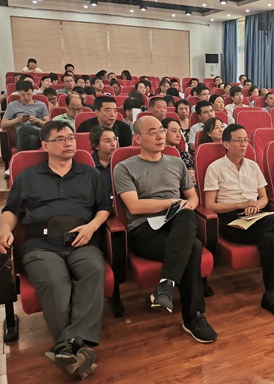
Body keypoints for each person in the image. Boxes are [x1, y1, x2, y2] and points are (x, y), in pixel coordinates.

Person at [0, 120, 111, 379]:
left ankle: (66, 349)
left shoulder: (90, 174)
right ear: (45, 145)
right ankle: (74, 349)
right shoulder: (28, 176)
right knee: (54, 281)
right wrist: (4, 228)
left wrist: (92, 227)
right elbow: (11, 210)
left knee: (94, 271)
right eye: (60, 139)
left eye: (71, 138)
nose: (68, 142)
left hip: (81, 239)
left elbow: (104, 207)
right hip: (41, 245)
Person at [114, 116, 218, 343]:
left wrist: (184, 206)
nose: (160, 135)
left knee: (187, 214)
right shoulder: (125, 167)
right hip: (145, 230)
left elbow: (192, 197)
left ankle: (166, 286)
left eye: (161, 130)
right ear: (137, 138)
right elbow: (134, 206)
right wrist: (172, 203)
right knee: (194, 246)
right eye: (152, 132)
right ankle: (193, 316)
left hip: (177, 223)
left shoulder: (176, 162)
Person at [204, 124, 274, 319]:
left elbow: (264, 198)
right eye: (239, 140)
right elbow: (210, 205)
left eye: (246, 140)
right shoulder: (215, 168)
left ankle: (270, 296)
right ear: (226, 144)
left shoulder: (252, 166)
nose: (244, 144)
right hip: (231, 220)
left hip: (255, 216)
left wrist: (255, 204)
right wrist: (241, 204)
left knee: (269, 239)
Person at [1, 80, 50, 151]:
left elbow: (48, 124)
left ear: (33, 91)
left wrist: (37, 121)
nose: (26, 97)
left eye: (29, 94)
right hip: (21, 136)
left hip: (39, 133)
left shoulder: (41, 105)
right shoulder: (12, 105)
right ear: (18, 93)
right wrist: (18, 120)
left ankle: (20, 155)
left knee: (25, 129)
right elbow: (3, 124)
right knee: (32, 138)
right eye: (23, 95)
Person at [162, 118, 195, 184]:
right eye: (174, 131)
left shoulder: (186, 156)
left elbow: (191, 179)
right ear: (164, 132)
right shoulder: (155, 154)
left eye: (179, 131)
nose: (178, 135)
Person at [89, 126, 118, 198]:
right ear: (96, 146)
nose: (113, 144)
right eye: (108, 141)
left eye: (114, 139)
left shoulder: (120, 162)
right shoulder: (89, 164)